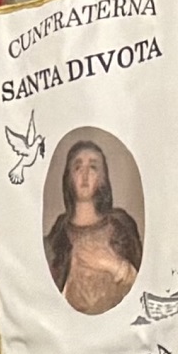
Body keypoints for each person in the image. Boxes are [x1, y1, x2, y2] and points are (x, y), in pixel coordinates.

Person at [45, 135, 141, 318]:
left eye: (94, 167)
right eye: (78, 167)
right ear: (69, 177)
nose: (85, 175)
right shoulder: (58, 237)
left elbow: (145, 286)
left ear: (103, 178)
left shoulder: (121, 227)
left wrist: (113, 265)